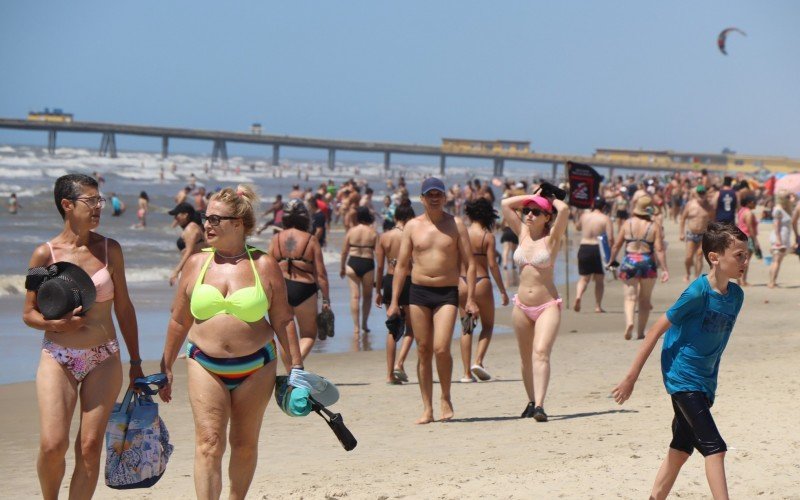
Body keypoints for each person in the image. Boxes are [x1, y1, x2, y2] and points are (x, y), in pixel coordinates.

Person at [158, 185, 301, 499]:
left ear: (238, 223)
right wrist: (166, 365)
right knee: (208, 443)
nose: (207, 224)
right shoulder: (196, 263)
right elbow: (179, 319)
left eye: (215, 219)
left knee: (244, 444)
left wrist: (297, 370)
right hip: (203, 362)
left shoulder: (263, 265)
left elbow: (283, 319)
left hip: (257, 365)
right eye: (206, 217)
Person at [23, 174, 143, 499]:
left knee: (89, 447)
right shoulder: (45, 256)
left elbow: (125, 308)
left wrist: (136, 362)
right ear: (67, 204)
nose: (98, 207)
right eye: (90, 201)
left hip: (104, 356)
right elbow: (29, 313)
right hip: (58, 357)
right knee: (53, 445)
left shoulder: (109, 250)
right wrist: (58, 326)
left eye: (99, 200)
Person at [612, 222, 748, 500]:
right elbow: (655, 330)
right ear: (715, 257)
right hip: (683, 378)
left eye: (747, 254)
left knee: (681, 449)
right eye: (739, 255)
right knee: (715, 448)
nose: (745, 261)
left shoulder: (736, 296)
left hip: (705, 382)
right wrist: (631, 377)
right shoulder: (697, 292)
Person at [388, 177, 478, 424]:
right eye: (430, 194)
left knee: (441, 347)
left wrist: (470, 298)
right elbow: (402, 266)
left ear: (445, 197)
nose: (435, 198)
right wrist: (394, 301)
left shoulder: (456, 224)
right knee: (423, 349)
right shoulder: (412, 227)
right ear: (422, 199)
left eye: (439, 194)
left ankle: (445, 397)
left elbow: (471, 265)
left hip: (446, 293)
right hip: (418, 293)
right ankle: (427, 407)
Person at [501, 186, 568, 422]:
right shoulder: (521, 232)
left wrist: (551, 198)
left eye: (536, 212)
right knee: (525, 357)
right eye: (527, 211)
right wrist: (534, 196)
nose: (529, 214)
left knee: (540, 353)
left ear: (547, 217)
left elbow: (565, 209)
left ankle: (540, 405)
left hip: (547, 305)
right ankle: (531, 401)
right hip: (521, 305)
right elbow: (505, 204)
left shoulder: (552, 239)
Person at [269, 199, 330, 364]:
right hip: (304, 289)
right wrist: (326, 299)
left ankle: (291, 370)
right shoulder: (311, 240)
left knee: (284, 336)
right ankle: (295, 367)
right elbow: (321, 274)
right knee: (309, 334)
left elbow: (267, 267)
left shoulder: (276, 239)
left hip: (281, 290)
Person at [458, 198, 509, 383]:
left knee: (467, 328)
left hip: (462, 282)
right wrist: (503, 290)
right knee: (487, 325)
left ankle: (466, 374)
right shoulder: (487, 237)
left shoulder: (461, 233)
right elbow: (493, 265)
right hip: (481, 282)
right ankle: (478, 361)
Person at [609, 195, 669, 340]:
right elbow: (659, 249)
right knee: (645, 300)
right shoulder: (654, 226)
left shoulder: (626, 223)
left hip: (629, 260)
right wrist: (665, 269)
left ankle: (629, 322)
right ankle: (640, 332)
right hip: (647, 261)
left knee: (630, 298)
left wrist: (611, 260)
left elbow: (617, 245)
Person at [375, 202, 416, 384]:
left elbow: (380, 266)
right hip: (408, 280)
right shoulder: (411, 235)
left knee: (392, 327)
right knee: (411, 329)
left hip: (389, 280)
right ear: (409, 218)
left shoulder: (384, 237)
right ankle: (400, 363)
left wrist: (377, 289)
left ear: (395, 217)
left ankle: (389, 374)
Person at [341, 206, 378, 335]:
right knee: (367, 297)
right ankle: (364, 324)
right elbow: (378, 254)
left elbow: (344, 251)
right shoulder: (373, 232)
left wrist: (342, 268)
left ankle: (356, 327)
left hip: (352, 263)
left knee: (355, 297)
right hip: (367, 263)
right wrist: (379, 274)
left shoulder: (351, 231)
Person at [573, 196, 614, 313]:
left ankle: (578, 296)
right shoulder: (605, 218)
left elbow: (577, 227)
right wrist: (611, 254)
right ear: (604, 207)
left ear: (592, 205)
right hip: (598, 249)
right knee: (599, 280)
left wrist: (577, 215)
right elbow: (610, 238)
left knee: (584, 278)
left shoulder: (584, 216)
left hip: (584, 247)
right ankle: (597, 306)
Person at [169, 202, 207, 286]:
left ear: (185, 215)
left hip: (194, 269)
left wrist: (176, 271)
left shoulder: (191, 228)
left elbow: (189, 251)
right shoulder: (193, 226)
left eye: (176, 215)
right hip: (194, 268)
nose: (175, 218)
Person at [679, 186, 713, 282]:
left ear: (705, 194)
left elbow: (713, 221)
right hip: (691, 234)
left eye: (703, 193)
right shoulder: (690, 204)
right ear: (696, 194)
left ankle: (697, 277)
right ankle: (687, 273)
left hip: (703, 235)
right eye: (699, 193)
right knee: (688, 256)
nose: (701, 195)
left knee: (699, 255)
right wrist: (681, 233)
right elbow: (682, 218)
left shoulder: (709, 206)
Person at [768, 190, 794, 288]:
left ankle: (773, 281)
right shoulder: (778, 209)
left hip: (783, 236)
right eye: (787, 197)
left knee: (777, 260)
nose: (789, 198)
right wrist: (778, 240)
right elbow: (776, 225)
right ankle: (771, 282)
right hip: (779, 237)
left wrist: (791, 199)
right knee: (776, 260)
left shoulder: (784, 208)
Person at [735, 195, 760, 286]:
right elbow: (750, 227)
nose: (755, 203)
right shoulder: (749, 213)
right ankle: (743, 280)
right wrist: (755, 240)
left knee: (740, 260)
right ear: (749, 203)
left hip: (740, 236)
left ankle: (739, 280)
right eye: (754, 202)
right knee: (745, 260)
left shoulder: (741, 211)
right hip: (747, 237)